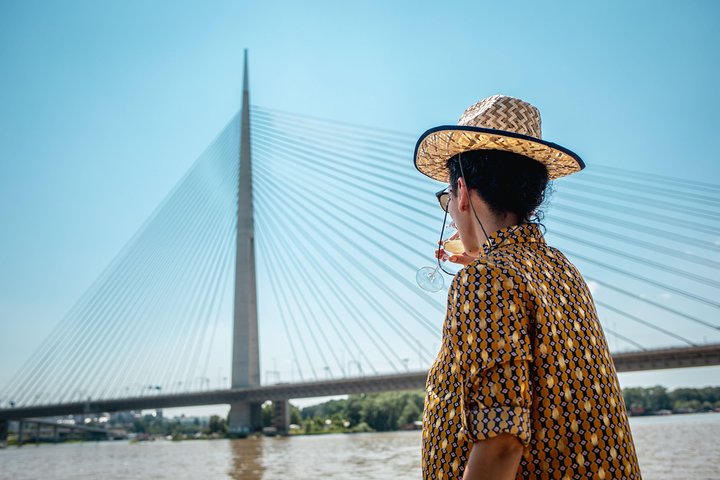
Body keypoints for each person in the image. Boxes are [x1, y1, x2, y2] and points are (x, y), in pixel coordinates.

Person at [414, 95, 642, 479]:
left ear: (463, 192)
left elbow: (501, 444)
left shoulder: (488, 280)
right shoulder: (560, 268)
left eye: (447, 198)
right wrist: (487, 265)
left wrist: (485, 278)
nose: (450, 211)